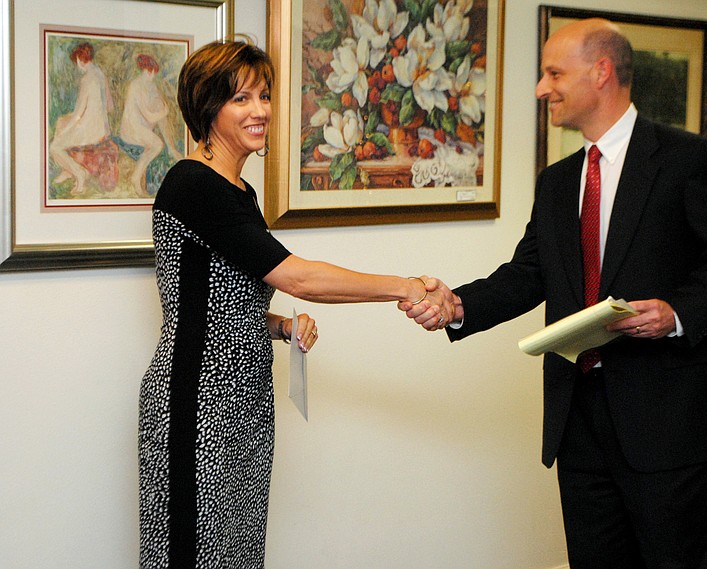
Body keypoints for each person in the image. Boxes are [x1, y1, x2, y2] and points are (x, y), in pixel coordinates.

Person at [402, 18, 707, 569]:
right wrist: (459, 305)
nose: (542, 88)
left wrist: (677, 313)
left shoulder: (688, 160)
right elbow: (529, 273)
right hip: (578, 421)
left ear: (602, 72)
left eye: (552, 73)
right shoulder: (557, 181)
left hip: (665, 419)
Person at [138, 39, 452, 569]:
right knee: (194, 555)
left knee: (237, 554)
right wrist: (404, 286)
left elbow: (216, 304)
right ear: (207, 107)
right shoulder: (192, 184)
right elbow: (299, 277)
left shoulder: (237, 192)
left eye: (263, 95)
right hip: (198, 404)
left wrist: (280, 327)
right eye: (241, 99)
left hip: (244, 401)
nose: (259, 110)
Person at [50, 42, 116, 194]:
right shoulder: (100, 74)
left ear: (80, 59)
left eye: (76, 61)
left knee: (55, 147)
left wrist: (66, 130)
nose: (77, 65)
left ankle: (79, 174)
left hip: (92, 131)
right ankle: (68, 171)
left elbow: (78, 113)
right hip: (103, 128)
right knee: (61, 121)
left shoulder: (86, 79)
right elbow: (110, 107)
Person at [119, 54, 181, 197]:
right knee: (157, 144)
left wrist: (171, 146)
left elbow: (159, 118)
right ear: (145, 70)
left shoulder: (152, 86)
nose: (152, 75)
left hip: (144, 129)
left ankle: (172, 149)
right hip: (132, 129)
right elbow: (149, 115)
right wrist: (165, 111)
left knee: (161, 123)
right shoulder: (136, 86)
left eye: (153, 71)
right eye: (150, 71)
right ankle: (136, 177)